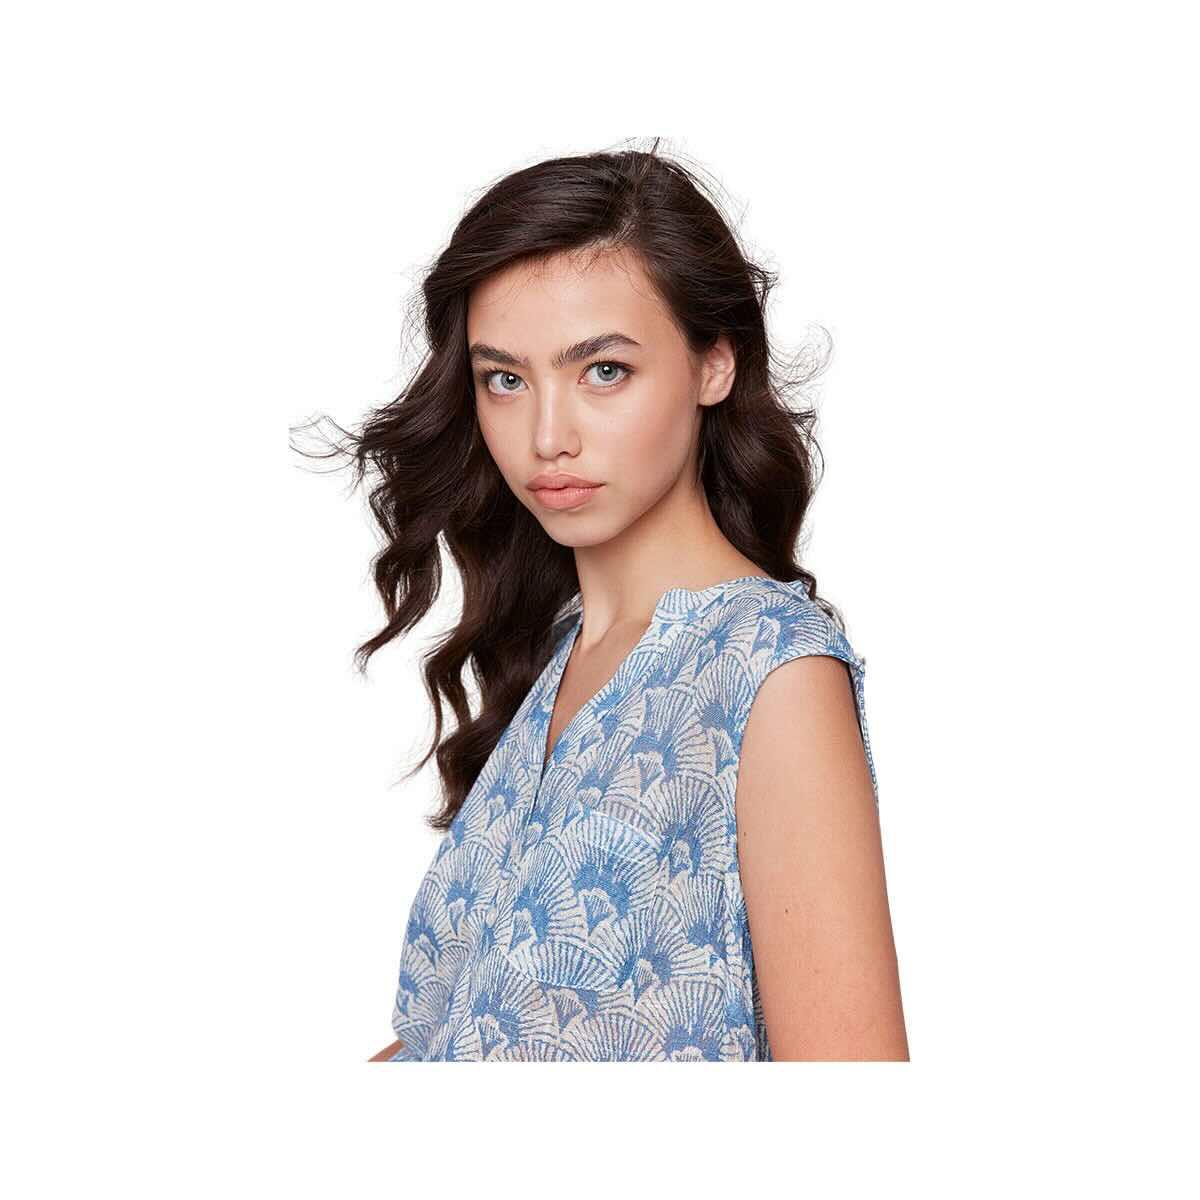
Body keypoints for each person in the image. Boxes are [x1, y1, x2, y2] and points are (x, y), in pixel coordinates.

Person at [311, 141, 907, 1061]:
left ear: (714, 365)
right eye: (505, 379)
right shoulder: (557, 654)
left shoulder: (769, 673)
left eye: (603, 371)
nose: (547, 436)